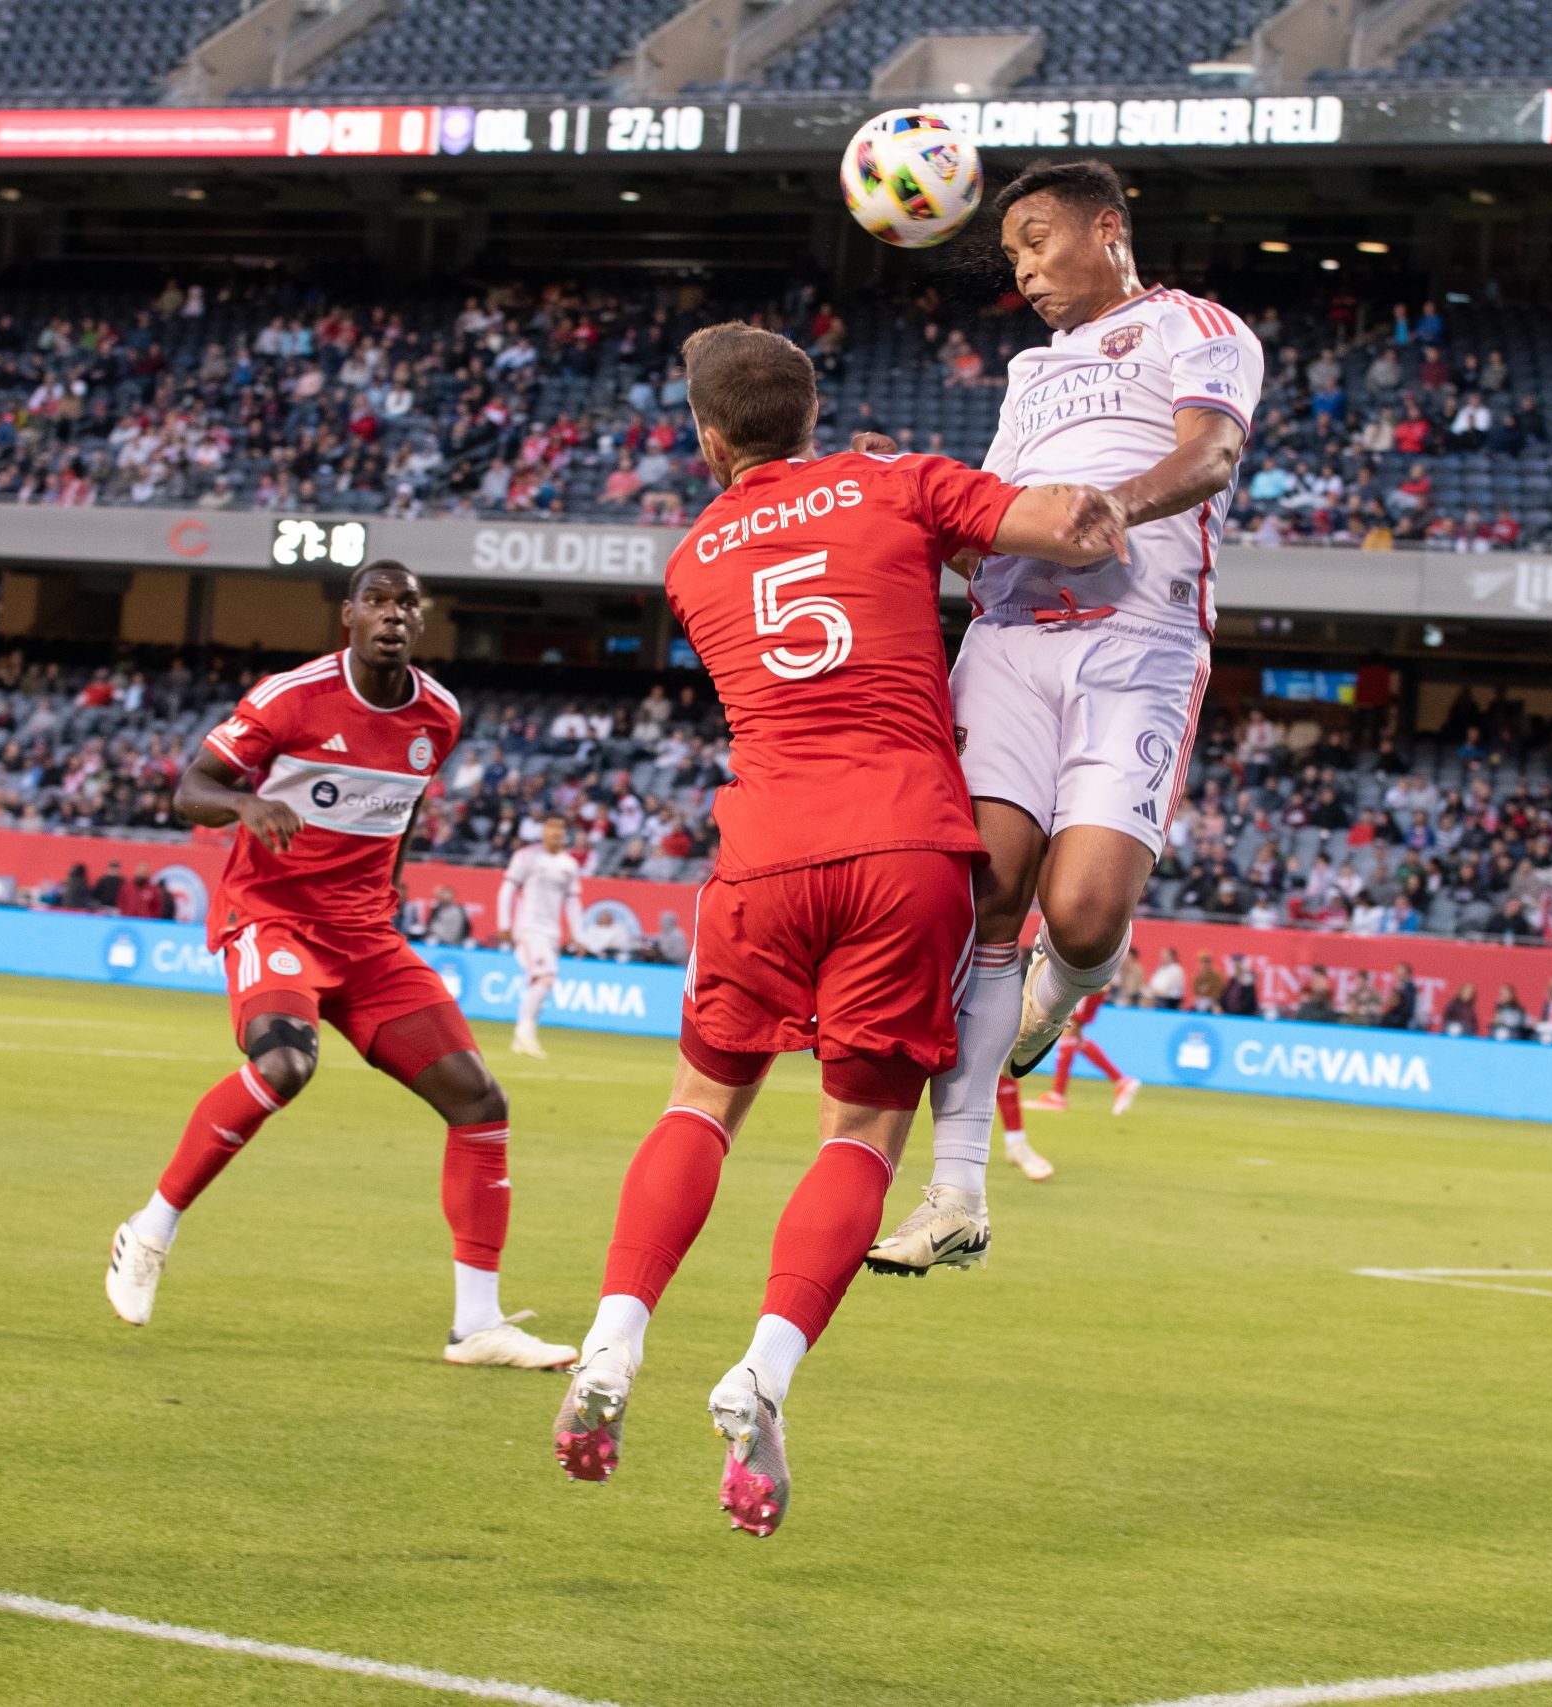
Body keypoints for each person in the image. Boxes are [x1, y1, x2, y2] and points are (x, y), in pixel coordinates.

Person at [549, 322, 1124, 1534]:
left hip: (764, 853)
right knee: (858, 1135)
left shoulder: (693, 557)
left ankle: (611, 1339)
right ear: (815, 415)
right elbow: (1070, 529)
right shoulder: (896, 481)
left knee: (699, 1106)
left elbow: (798, 548)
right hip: (907, 850)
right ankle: (761, 1371)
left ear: (709, 440)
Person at [865, 157, 1259, 1275]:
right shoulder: (1029, 371)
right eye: (1013, 256)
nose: (1026, 270)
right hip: (1009, 645)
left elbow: (1213, 452)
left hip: (1137, 640)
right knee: (984, 898)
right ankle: (955, 1193)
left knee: (1081, 917)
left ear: (1107, 228)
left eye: (1039, 242)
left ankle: (1065, 987)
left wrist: (1109, 510)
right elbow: (991, 511)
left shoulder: (1198, 323)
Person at [102, 563, 575, 1373]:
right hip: (273, 915)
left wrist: (392, 876)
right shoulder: (291, 697)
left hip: (366, 936)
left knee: (479, 1099)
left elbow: (411, 796)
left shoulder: (440, 714)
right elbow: (193, 788)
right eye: (379, 602)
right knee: (285, 1062)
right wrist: (246, 804)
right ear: (349, 615)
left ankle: (477, 1324)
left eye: (408, 605)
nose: (394, 615)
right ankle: (150, 1229)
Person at [497, 813, 583, 1057]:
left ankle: (521, 1037)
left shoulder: (569, 864)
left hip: (551, 933)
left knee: (539, 981)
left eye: (560, 829)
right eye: (551, 828)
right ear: (543, 831)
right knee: (545, 978)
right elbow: (507, 889)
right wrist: (504, 923)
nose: (556, 833)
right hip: (529, 929)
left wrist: (578, 934)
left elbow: (573, 902)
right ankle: (525, 1033)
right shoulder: (526, 857)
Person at [1029, 989, 1142, 1121]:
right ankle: (1121, 1082)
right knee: (1076, 1036)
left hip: (1086, 981)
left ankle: (1057, 1096)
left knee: (1069, 1028)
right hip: (1093, 979)